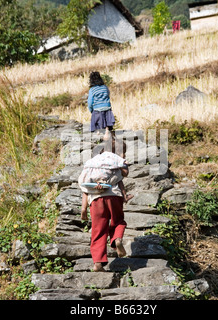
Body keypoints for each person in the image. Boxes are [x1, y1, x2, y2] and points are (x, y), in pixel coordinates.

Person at [79, 137, 131, 272]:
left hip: (96, 200)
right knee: (118, 221)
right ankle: (117, 239)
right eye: (123, 153)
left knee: (98, 230)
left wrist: (84, 209)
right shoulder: (115, 163)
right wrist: (124, 196)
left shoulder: (93, 165)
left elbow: (85, 189)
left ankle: (98, 263)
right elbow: (122, 179)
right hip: (114, 197)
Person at [88, 71, 115, 141]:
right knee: (106, 116)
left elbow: (90, 102)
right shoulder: (105, 87)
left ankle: (98, 132)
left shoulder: (92, 90)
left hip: (97, 108)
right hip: (107, 106)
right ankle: (107, 130)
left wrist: (91, 110)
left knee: (96, 115)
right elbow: (108, 95)